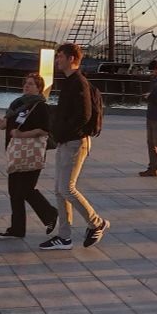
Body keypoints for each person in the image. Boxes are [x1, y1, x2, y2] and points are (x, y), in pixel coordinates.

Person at [39, 43, 110, 250]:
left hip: (75, 142)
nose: (57, 60)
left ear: (71, 58)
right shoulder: (70, 82)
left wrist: (65, 132)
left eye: (60, 56)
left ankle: (97, 223)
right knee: (59, 190)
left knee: (67, 189)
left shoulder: (79, 83)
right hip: (66, 141)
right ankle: (64, 236)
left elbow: (84, 115)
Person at [0, 73, 59, 240]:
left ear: (39, 88)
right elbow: (2, 124)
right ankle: (17, 229)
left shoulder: (40, 106)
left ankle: (50, 213)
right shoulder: (17, 104)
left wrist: (21, 134)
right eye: (25, 83)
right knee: (14, 192)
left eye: (31, 84)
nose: (26, 86)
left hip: (32, 155)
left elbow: (44, 130)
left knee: (25, 190)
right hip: (16, 154)